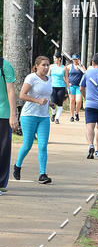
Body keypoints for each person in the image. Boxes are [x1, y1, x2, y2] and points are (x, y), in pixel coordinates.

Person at [14, 56, 53, 184]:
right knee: (27, 144)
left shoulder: (49, 79)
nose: (46, 67)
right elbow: (22, 95)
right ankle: (17, 166)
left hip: (44, 117)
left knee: (43, 146)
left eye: (48, 65)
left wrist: (50, 103)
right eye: (43, 65)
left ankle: (43, 174)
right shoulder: (31, 78)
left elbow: (45, 96)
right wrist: (37, 101)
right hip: (29, 115)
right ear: (36, 66)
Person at [0, 54, 18, 194]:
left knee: (3, 150)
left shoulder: (4, 65)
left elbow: (11, 91)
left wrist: (13, 115)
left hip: (3, 114)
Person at [49, 53, 68, 123]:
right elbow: (48, 76)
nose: (54, 60)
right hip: (53, 86)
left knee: (60, 103)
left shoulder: (64, 68)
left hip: (61, 87)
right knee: (53, 102)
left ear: (59, 59)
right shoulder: (51, 67)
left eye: (55, 58)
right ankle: (53, 114)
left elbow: (66, 78)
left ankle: (57, 118)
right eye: (54, 58)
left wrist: (68, 88)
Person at [66, 54, 85, 121]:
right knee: (72, 100)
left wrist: (80, 65)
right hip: (71, 86)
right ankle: (71, 116)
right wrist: (67, 83)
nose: (75, 61)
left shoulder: (81, 66)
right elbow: (65, 75)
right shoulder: (69, 66)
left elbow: (85, 72)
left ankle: (76, 113)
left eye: (76, 59)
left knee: (79, 101)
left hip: (79, 86)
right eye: (74, 59)